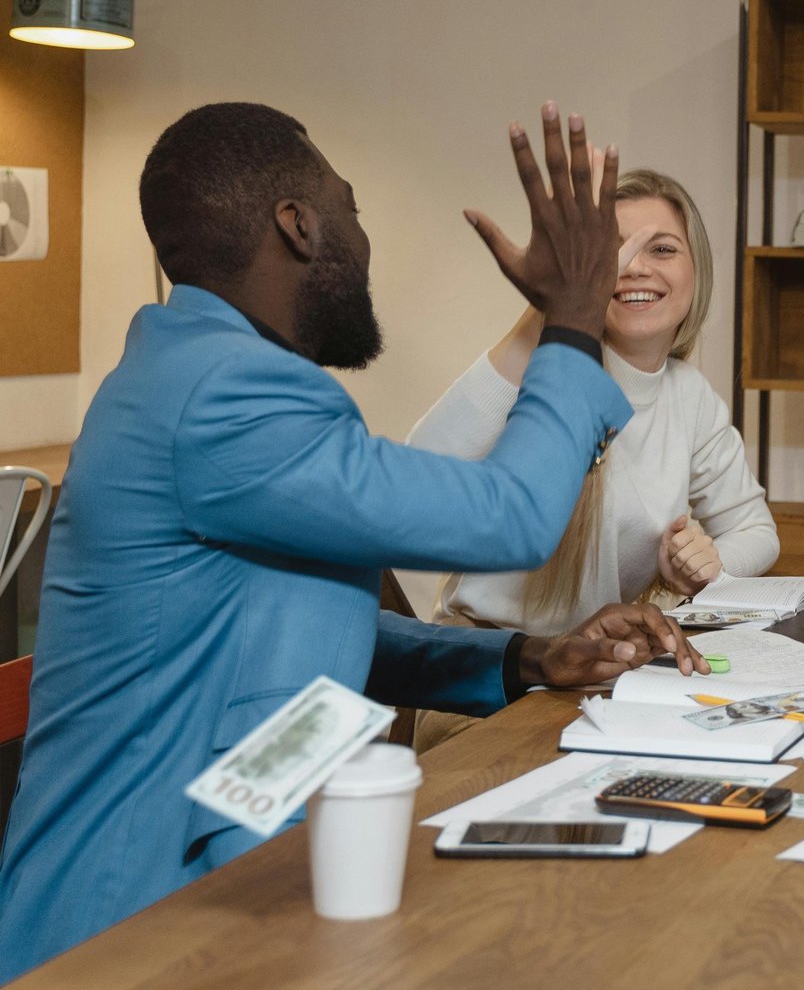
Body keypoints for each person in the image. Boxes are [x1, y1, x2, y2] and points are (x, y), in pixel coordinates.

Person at [0, 101, 706, 980]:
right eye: (353, 207)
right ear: (298, 226)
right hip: (131, 929)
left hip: (231, 889)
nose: (364, 240)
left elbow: (308, 623)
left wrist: (526, 660)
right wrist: (568, 320)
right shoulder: (225, 393)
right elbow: (513, 515)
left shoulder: (201, 371)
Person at [410, 166, 777, 635]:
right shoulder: (542, 372)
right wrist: (554, 305)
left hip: (599, 668)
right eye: (613, 252)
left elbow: (757, 531)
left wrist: (709, 564)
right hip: (489, 670)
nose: (636, 267)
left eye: (662, 249)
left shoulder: (689, 395)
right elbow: (419, 472)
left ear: (696, 271)